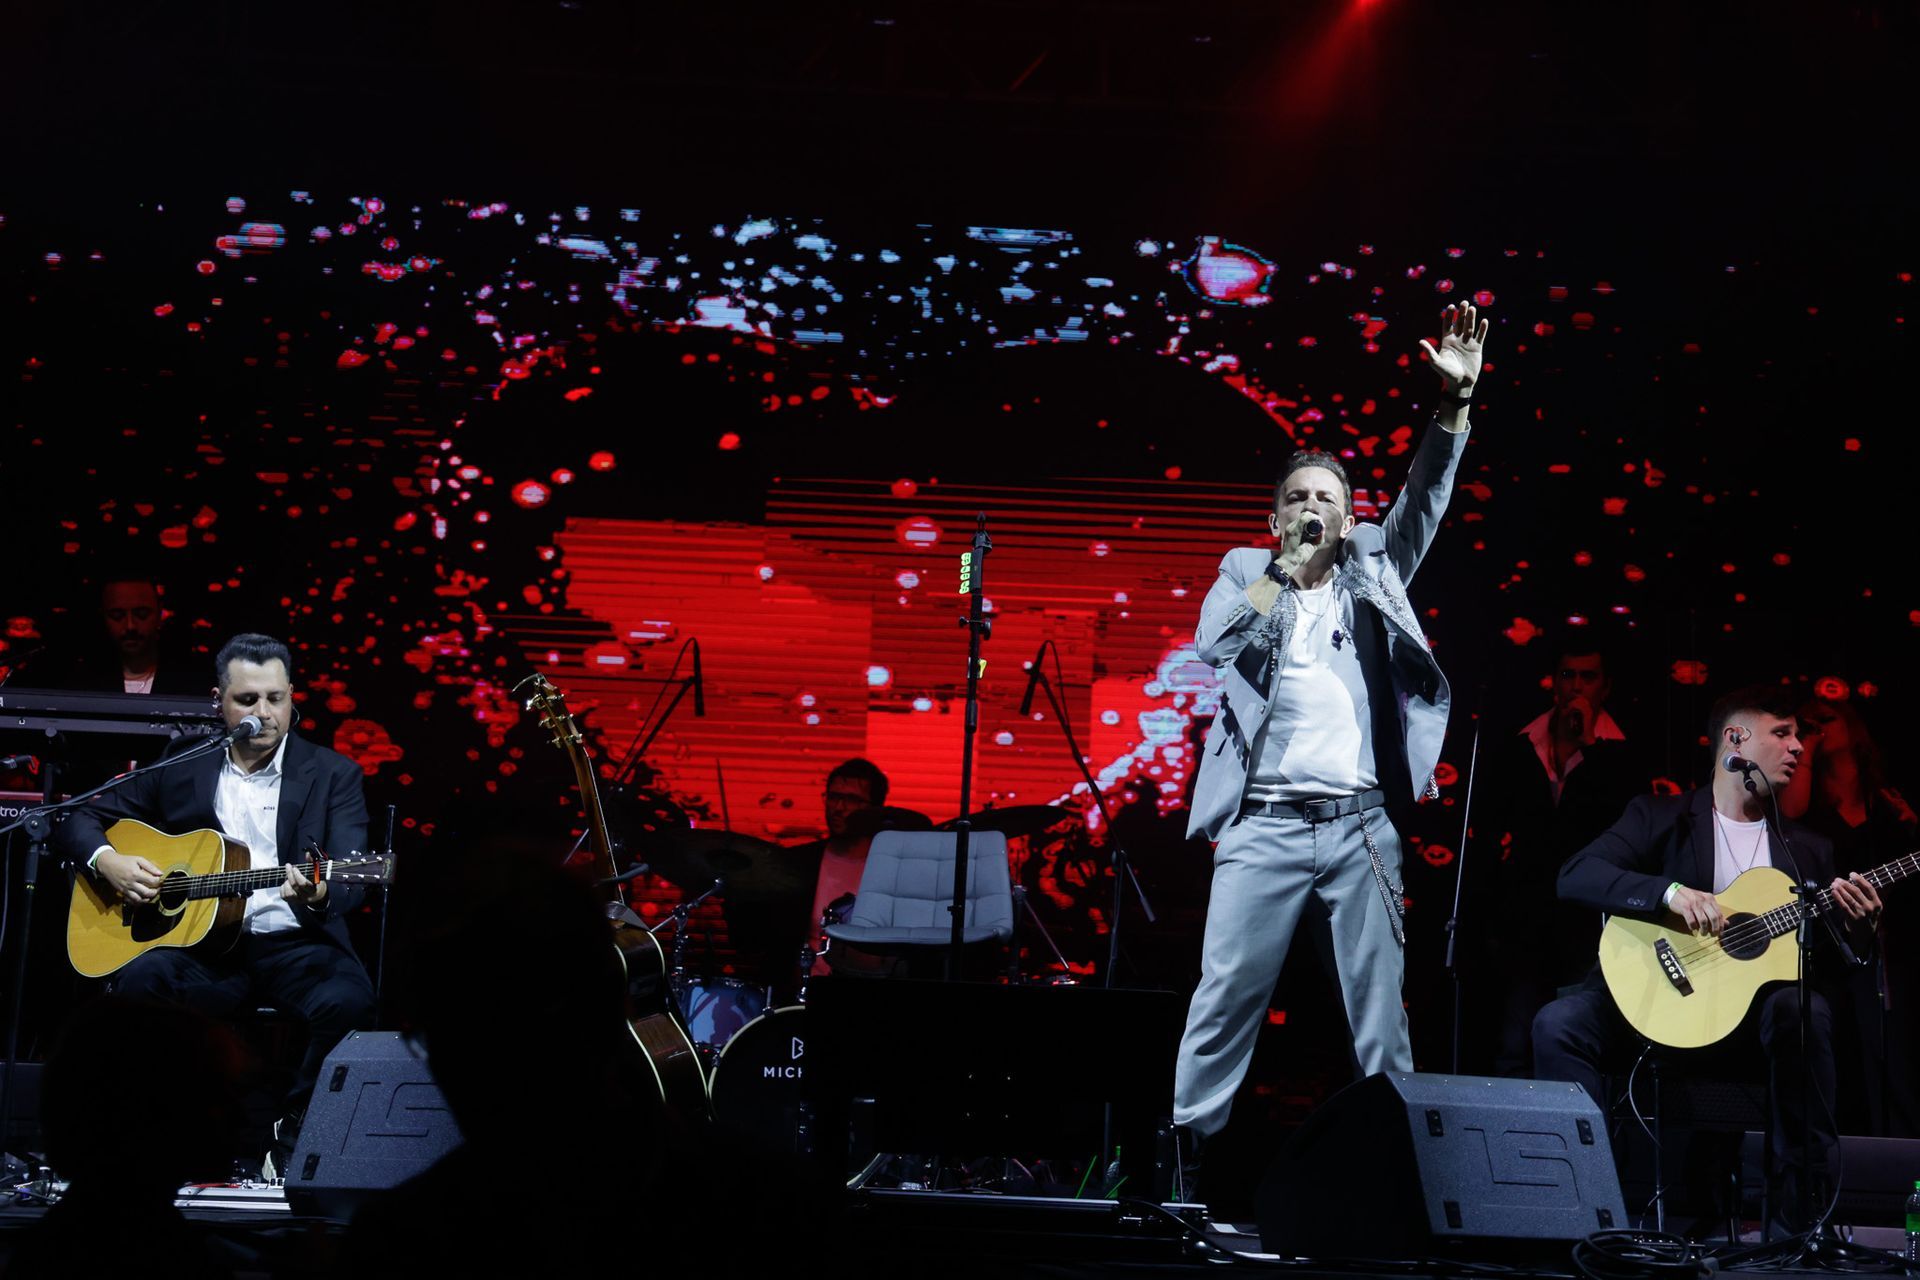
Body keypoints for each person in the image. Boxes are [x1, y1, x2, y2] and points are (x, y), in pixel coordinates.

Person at [1171, 301, 1489, 1193]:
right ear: (1275, 518)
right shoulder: (1246, 570)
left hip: (1358, 832)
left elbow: (1423, 496)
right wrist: (1279, 570)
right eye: (1297, 500)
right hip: (1262, 827)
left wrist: (1452, 409)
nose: (1313, 509)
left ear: (1350, 520)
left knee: (1379, 1018)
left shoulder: (1375, 569)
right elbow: (1220, 646)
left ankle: (1401, 1183)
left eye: (1328, 501)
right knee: (1222, 1001)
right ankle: (1184, 1180)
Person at [1532, 685, 1884, 1236]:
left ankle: (1797, 1227)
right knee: (1559, 1025)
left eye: (1799, 736)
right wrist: (1669, 893)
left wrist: (1858, 932)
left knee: (1805, 1012)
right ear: (1736, 739)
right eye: (1783, 733)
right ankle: (1585, 1212)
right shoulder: (1660, 816)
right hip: (1656, 1003)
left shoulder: (1807, 850)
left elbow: (1821, 972)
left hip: (1745, 1028)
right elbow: (1576, 874)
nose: (1798, 748)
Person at [52, 632, 378, 1175]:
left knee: (349, 1002)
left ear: (293, 696)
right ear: (219, 701)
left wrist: (321, 890)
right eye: (247, 700)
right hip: (204, 947)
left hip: (295, 942)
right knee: (137, 988)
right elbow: (78, 818)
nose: (264, 712)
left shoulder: (333, 774)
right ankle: (148, 1141)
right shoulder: (184, 763)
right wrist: (107, 860)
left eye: (275, 698)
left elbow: (351, 877)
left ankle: (292, 1132)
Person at [1482, 644, 1642, 1076]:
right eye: (1568, 674)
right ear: (1554, 681)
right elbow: (1493, 829)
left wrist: (1589, 746)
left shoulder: (1621, 754)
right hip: (1524, 919)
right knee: (1513, 1041)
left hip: (1586, 922)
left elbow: (1617, 828)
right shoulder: (1521, 744)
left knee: (1570, 1036)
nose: (1576, 686)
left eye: (1587, 676)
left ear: (1604, 686)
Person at [1784, 695, 1920, 1137]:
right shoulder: (1810, 803)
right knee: (1846, 1042)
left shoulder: (1884, 798)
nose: (1818, 726)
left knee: (1897, 1049)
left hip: (1896, 940)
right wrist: (1808, 743)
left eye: (1828, 718)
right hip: (1834, 942)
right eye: (1809, 723)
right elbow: (1790, 815)